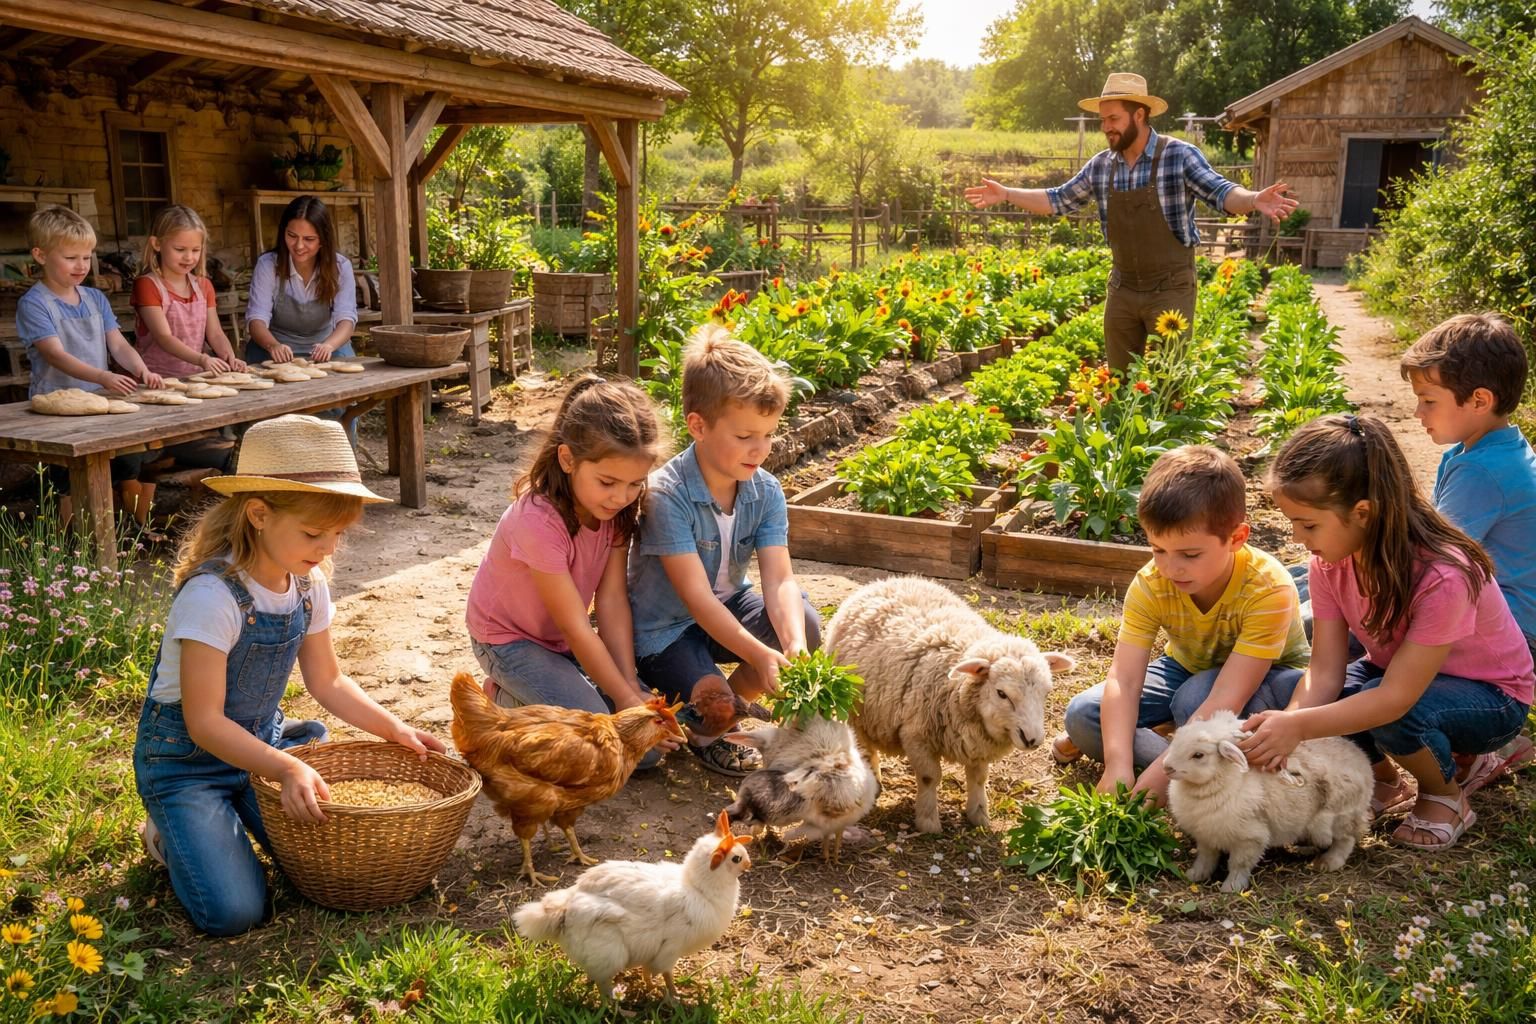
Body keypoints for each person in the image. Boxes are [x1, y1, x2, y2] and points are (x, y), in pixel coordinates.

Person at [133, 414, 445, 935]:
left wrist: (394, 729)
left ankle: (258, 786)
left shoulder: (306, 583)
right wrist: (286, 769)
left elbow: (328, 681)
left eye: (338, 534)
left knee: (333, 860)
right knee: (234, 912)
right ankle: (169, 829)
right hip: (188, 763)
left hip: (262, 747)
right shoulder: (212, 597)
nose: (328, 548)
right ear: (258, 513)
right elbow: (204, 723)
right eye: (314, 533)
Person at [1243, 413, 1533, 852]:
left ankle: (1444, 796)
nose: (1299, 539)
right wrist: (1290, 723)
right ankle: (1382, 781)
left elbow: (1396, 698)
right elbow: (1324, 671)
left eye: (1309, 524)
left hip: (1492, 698)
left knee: (1393, 713)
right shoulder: (1330, 565)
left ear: (1363, 513)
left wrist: (1299, 727)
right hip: (1403, 677)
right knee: (1316, 696)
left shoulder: (1444, 574)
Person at [963, 73, 1297, 371]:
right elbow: (1057, 200)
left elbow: (1221, 192)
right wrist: (1007, 193)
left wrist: (1253, 198)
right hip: (1123, 288)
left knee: (1169, 380)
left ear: (1139, 114)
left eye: (1113, 118)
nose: (1106, 127)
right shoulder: (1101, 166)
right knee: (1120, 382)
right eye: (1102, 120)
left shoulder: (1178, 155)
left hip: (1171, 288)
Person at [1056, 445, 1310, 801]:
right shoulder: (1151, 583)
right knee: (1084, 716)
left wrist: (1156, 782)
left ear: (1236, 538)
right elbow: (1124, 679)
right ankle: (1189, 762)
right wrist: (1117, 765)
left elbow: (1226, 697)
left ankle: (1179, 760)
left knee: (1194, 699)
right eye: (1158, 549)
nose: (1170, 568)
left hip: (1264, 682)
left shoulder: (1268, 588)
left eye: (1190, 555)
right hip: (1185, 668)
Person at [627, 325, 822, 777]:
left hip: (728, 608)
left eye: (769, 435)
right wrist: (760, 654)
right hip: (666, 630)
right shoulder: (667, 494)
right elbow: (697, 599)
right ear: (698, 426)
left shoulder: (765, 491)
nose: (761, 449)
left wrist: (792, 644)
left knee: (807, 625)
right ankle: (707, 715)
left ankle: (714, 728)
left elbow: (780, 578)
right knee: (714, 701)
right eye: (745, 436)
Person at [464, 376, 681, 767]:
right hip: (508, 641)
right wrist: (625, 701)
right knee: (611, 748)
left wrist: (628, 685)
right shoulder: (537, 521)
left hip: (561, 643)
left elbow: (611, 600)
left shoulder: (616, 512)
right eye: (607, 482)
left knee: (643, 746)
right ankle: (504, 699)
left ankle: (538, 696)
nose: (621, 496)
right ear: (568, 460)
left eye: (635, 483)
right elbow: (577, 627)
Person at [1400, 312, 1536, 781]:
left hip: (1511, 636)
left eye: (1428, 401)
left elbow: (1426, 560)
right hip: (1511, 622)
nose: (1418, 414)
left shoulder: (1481, 471)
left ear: (1479, 400)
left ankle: (1484, 740)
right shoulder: (1482, 450)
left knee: (1367, 633)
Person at [15, 205, 162, 527]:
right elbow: (55, 355)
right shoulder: (34, 303)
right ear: (40, 255)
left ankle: (129, 531)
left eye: (86, 256)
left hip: (99, 400)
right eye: (71, 257)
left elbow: (118, 344)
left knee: (126, 464)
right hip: (56, 406)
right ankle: (72, 541)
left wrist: (141, 370)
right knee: (67, 480)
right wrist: (103, 375)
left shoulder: (95, 298)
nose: (81, 265)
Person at [128, 204, 243, 533]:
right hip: (155, 385)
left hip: (193, 387)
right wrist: (202, 359)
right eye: (180, 249)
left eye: (195, 250)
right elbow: (164, 337)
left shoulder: (203, 286)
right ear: (156, 244)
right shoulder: (148, 285)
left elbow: (215, 333)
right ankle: (137, 523)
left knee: (197, 446)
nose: (189, 257)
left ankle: (217, 517)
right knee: (146, 456)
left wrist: (229, 357)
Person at [244, 195, 358, 366]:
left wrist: (328, 346)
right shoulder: (268, 265)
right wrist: (273, 346)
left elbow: (346, 319)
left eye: (309, 239)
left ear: (323, 240)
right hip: (273, 350)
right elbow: (256, 319)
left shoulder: (340, 267)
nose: (298, 246)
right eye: (292, 235)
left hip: (329, 347)